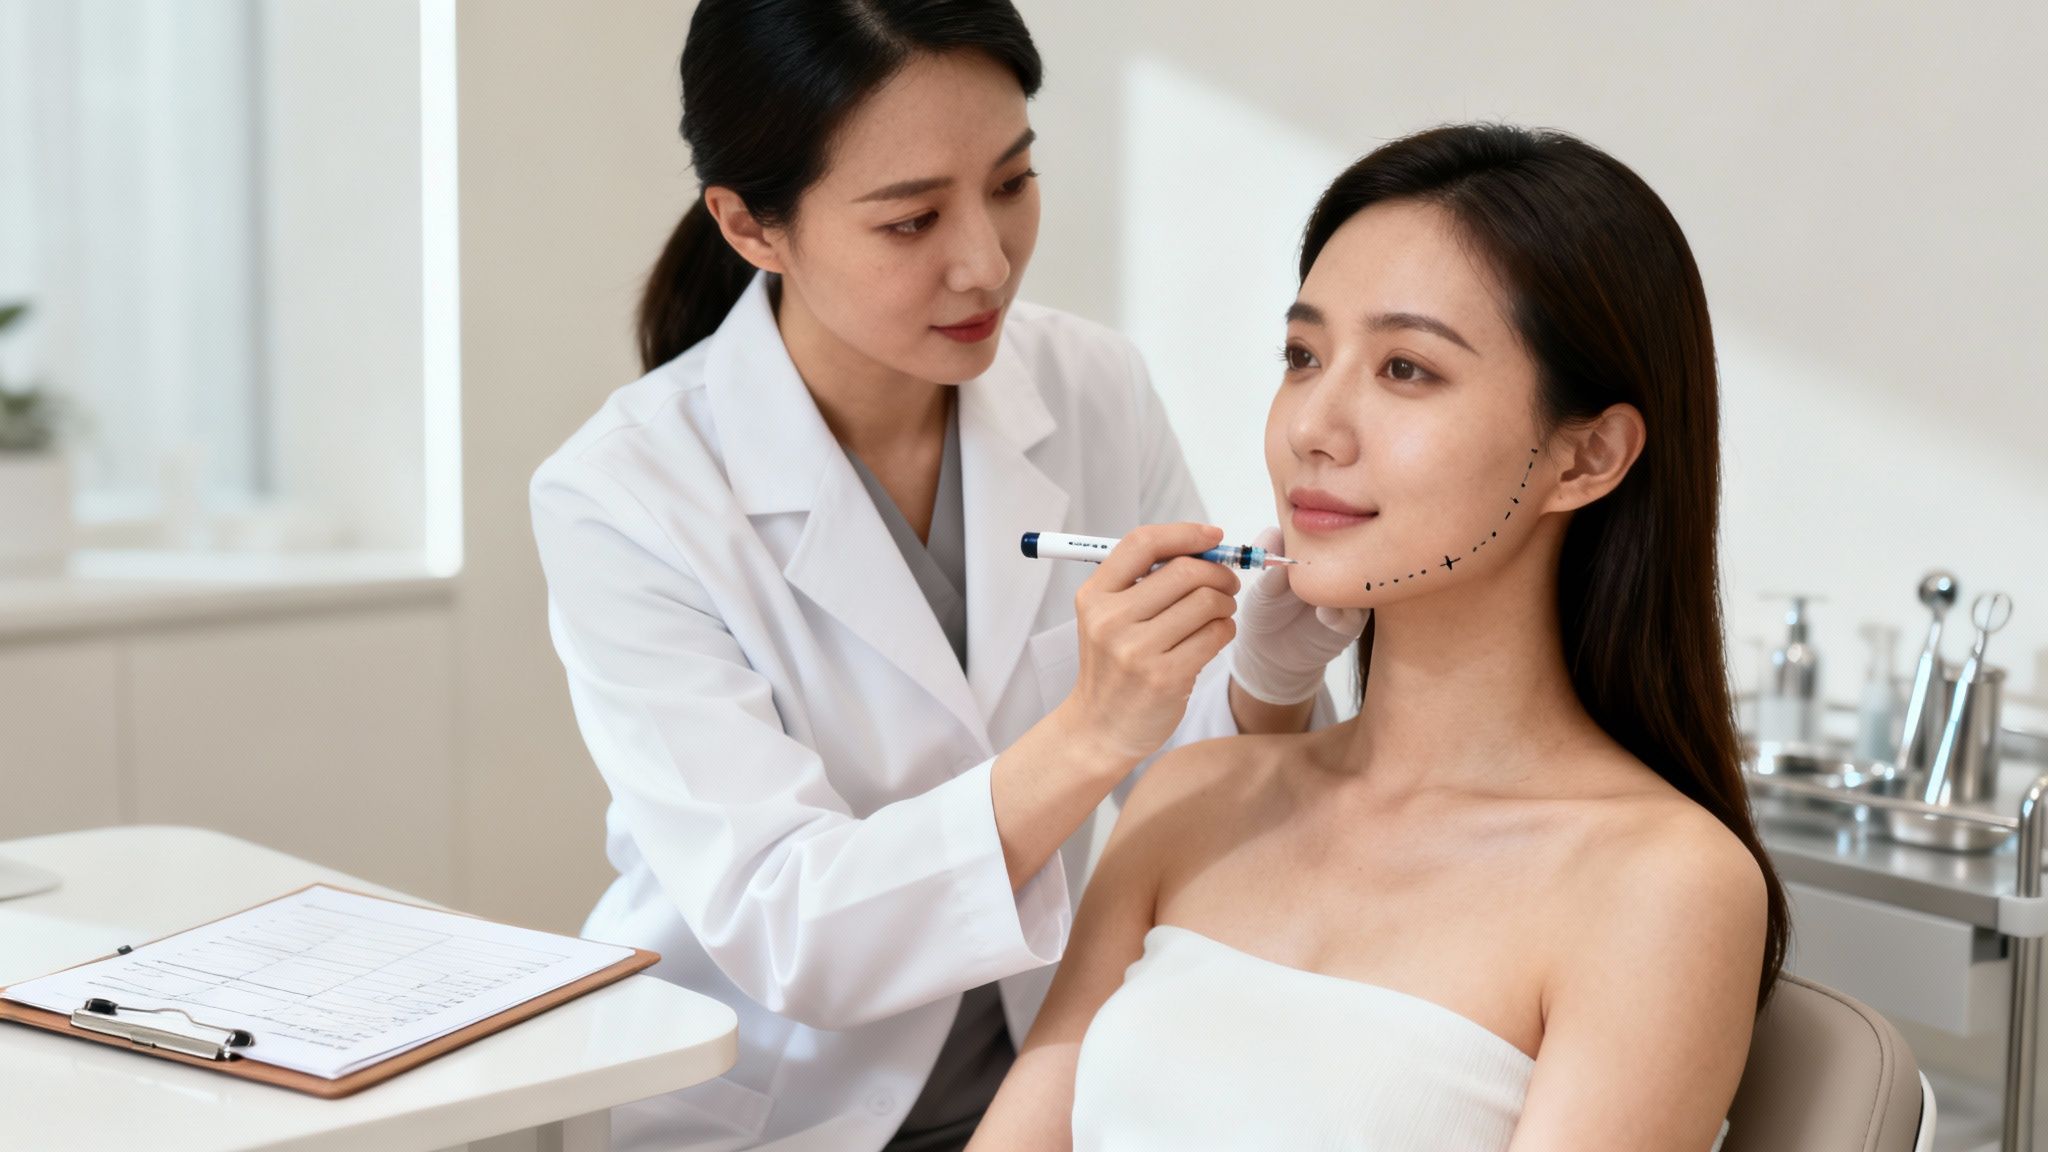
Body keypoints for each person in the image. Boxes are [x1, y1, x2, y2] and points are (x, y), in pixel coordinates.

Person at [528, 3, 1359, 1148]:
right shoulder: (624, 494)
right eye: (911, 219)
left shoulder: (1088, 387)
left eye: (1011, 183)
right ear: (750, 225)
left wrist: (1264, 675)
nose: (985, 261)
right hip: (776, 1110)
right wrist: (1088, 730)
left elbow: (1194, 796)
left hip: (1045, 1083)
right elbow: (791, 929)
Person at [968, 123, 1790, 1152]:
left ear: (1585, 458)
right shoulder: (1190, 797)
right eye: (1301, 355)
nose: (1313, 423)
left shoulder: (1661, 884)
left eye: (1404, 369)